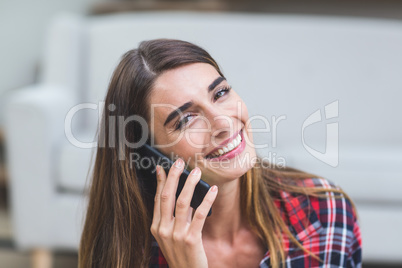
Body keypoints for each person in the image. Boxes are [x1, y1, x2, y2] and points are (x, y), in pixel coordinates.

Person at [78, 39, 362, 268]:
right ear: (150, 153)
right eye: (186, 119)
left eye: (220, 93)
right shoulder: (130, 254)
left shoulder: (324, 214)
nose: (224, 124)